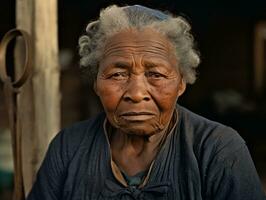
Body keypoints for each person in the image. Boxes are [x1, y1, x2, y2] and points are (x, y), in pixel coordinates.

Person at [27, 4, 265, 200]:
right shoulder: (68, 147)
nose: (137, 93)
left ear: (181, 83)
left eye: (156, 74)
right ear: (97, 84)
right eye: (117, 74)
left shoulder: (218, 150)